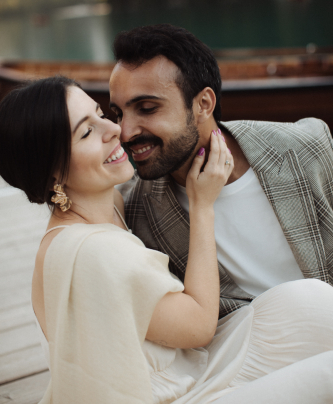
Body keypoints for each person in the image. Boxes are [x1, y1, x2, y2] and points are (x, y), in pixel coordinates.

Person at [1, 76, 333, 404]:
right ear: (53, 171)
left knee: (307, 301)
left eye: (101, 114)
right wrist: (202, 206)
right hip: (175, 395)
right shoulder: (90, 251)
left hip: (193, 367)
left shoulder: (109, 207)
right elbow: (200, 326)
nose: (115, 130)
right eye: (87, 132)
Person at [109, 23, 333, 320]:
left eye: (147, 108)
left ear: (203, 104)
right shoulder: (134, 211)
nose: (125, 133)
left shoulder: (307, 146)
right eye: (118, 114)